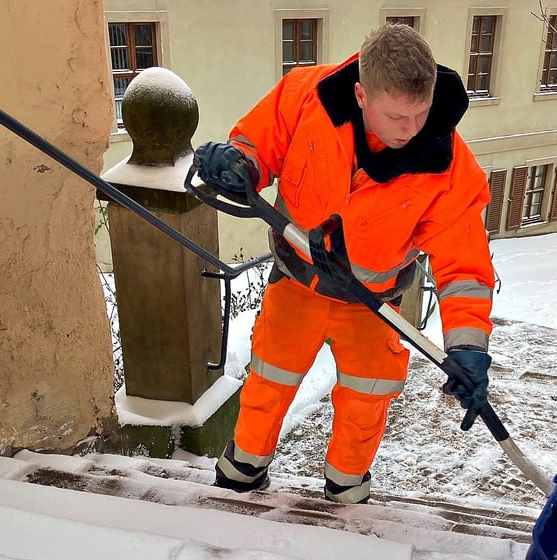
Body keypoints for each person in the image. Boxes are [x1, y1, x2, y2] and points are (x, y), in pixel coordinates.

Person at [194, 23, 495, 504]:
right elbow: (257, 144)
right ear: (360, 93)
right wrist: (239, 164)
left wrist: (468, 347)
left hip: (374, 305)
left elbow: (464, 267)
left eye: (420, 113)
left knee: (367, 398)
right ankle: (239, 479)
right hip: (297, 282)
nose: (412, 129)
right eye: (397, 116)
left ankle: (347, 496)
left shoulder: (447, 166)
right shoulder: (305, 98)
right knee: (268, 383)